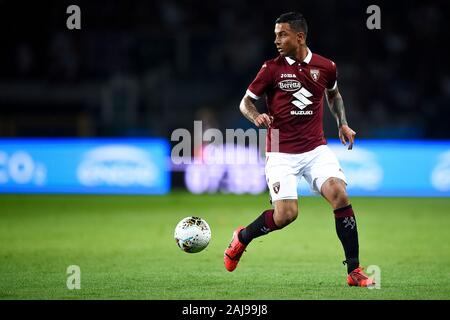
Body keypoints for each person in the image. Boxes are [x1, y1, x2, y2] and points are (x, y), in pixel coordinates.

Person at [223, 12, 375, 287]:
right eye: (275, 35)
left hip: (316, 149)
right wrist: (255, 116)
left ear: (300, 36)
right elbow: (245, 102)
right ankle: (242, 237)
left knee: (340, 194)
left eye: (282, 34)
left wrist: (342, 123)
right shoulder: (270, 69)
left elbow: (334, 94)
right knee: (286, 215)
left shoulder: (326, 66)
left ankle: (354, 270)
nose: (276, 40)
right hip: (281, 152)